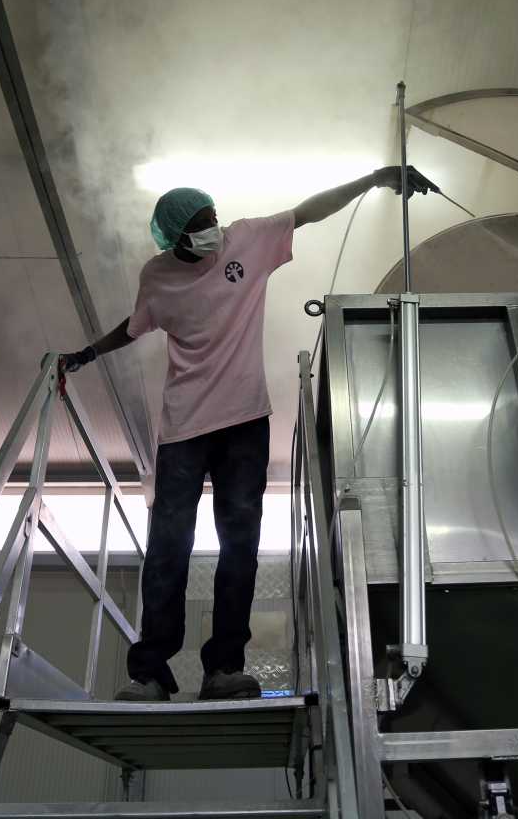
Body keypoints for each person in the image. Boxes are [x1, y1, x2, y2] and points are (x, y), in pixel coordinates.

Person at [61, 164, 438, 701]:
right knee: (169, 545)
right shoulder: (157, 276)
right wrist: (87, 354)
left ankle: (223, 668)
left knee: (240, 546)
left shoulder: (247, 240)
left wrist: (375, 177)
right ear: (177, 238)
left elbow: (309, 211)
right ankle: (150, 672)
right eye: (200, 224)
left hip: (244, 423)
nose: (212, 228)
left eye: (213, 216)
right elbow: (136, 324)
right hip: (184, 428)